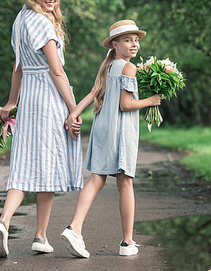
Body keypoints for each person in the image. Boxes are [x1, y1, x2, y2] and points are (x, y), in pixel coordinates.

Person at [0, 0, 83, 258]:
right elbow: (57, 71)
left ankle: (7, 224)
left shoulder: (20, 20)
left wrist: (11, 101)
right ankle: (37, 234)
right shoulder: (42, 24)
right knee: (47, 165)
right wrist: (73, 109)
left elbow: (17, 67)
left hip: (29, 98)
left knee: (25, 164)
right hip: (47, 97)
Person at [59, 20, 162, 258]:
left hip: (102, 127)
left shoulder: (108, 67)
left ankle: (74, 227)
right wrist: (150, 101)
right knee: (125, 183)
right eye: (128, 40)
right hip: (120, 130)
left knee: (96, 179)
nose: (134, 44)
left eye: (136, 40)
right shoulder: (128, 68)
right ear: (115, 44)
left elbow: (93, 93)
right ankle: (127, 243)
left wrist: (73, 113)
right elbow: (126, 105)